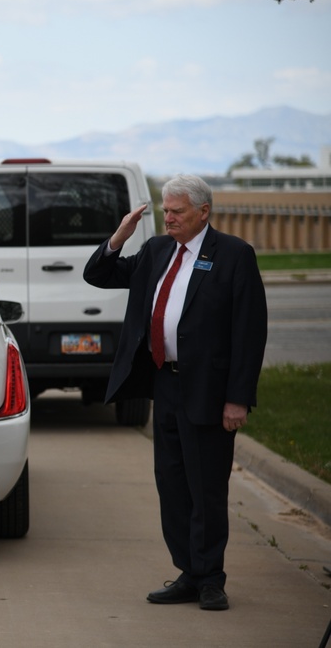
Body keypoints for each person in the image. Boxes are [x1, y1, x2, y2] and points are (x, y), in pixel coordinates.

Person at [83, 174, 267, 611]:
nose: (169, 218)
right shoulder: (156, 250)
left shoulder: (234, 256)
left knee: (206, 486)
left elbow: (249, 332)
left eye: (177, 211)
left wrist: (237, 397)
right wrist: (119, 236)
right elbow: (99, 274)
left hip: (208, 388)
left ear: (203, 211)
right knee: (171, 483)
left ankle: (211, 578)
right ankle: (187, 570)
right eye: (165, 210)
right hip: (165, 383)